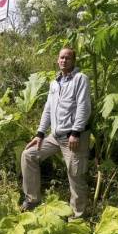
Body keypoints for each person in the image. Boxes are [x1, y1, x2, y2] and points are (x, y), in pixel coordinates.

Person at [20, 47, 91, 218]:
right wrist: (40, 134)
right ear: (58, 60)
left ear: (73, 61)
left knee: (75, 175)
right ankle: (33, 200)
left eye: (67, 58)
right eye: (61, 57)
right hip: (55, 136)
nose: (64, 60)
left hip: (74, 137)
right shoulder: (55, 83)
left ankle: (78, 216)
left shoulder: (80, 79)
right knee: (28, 155)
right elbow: (48, 109)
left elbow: (84, 107)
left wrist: (75, 132)